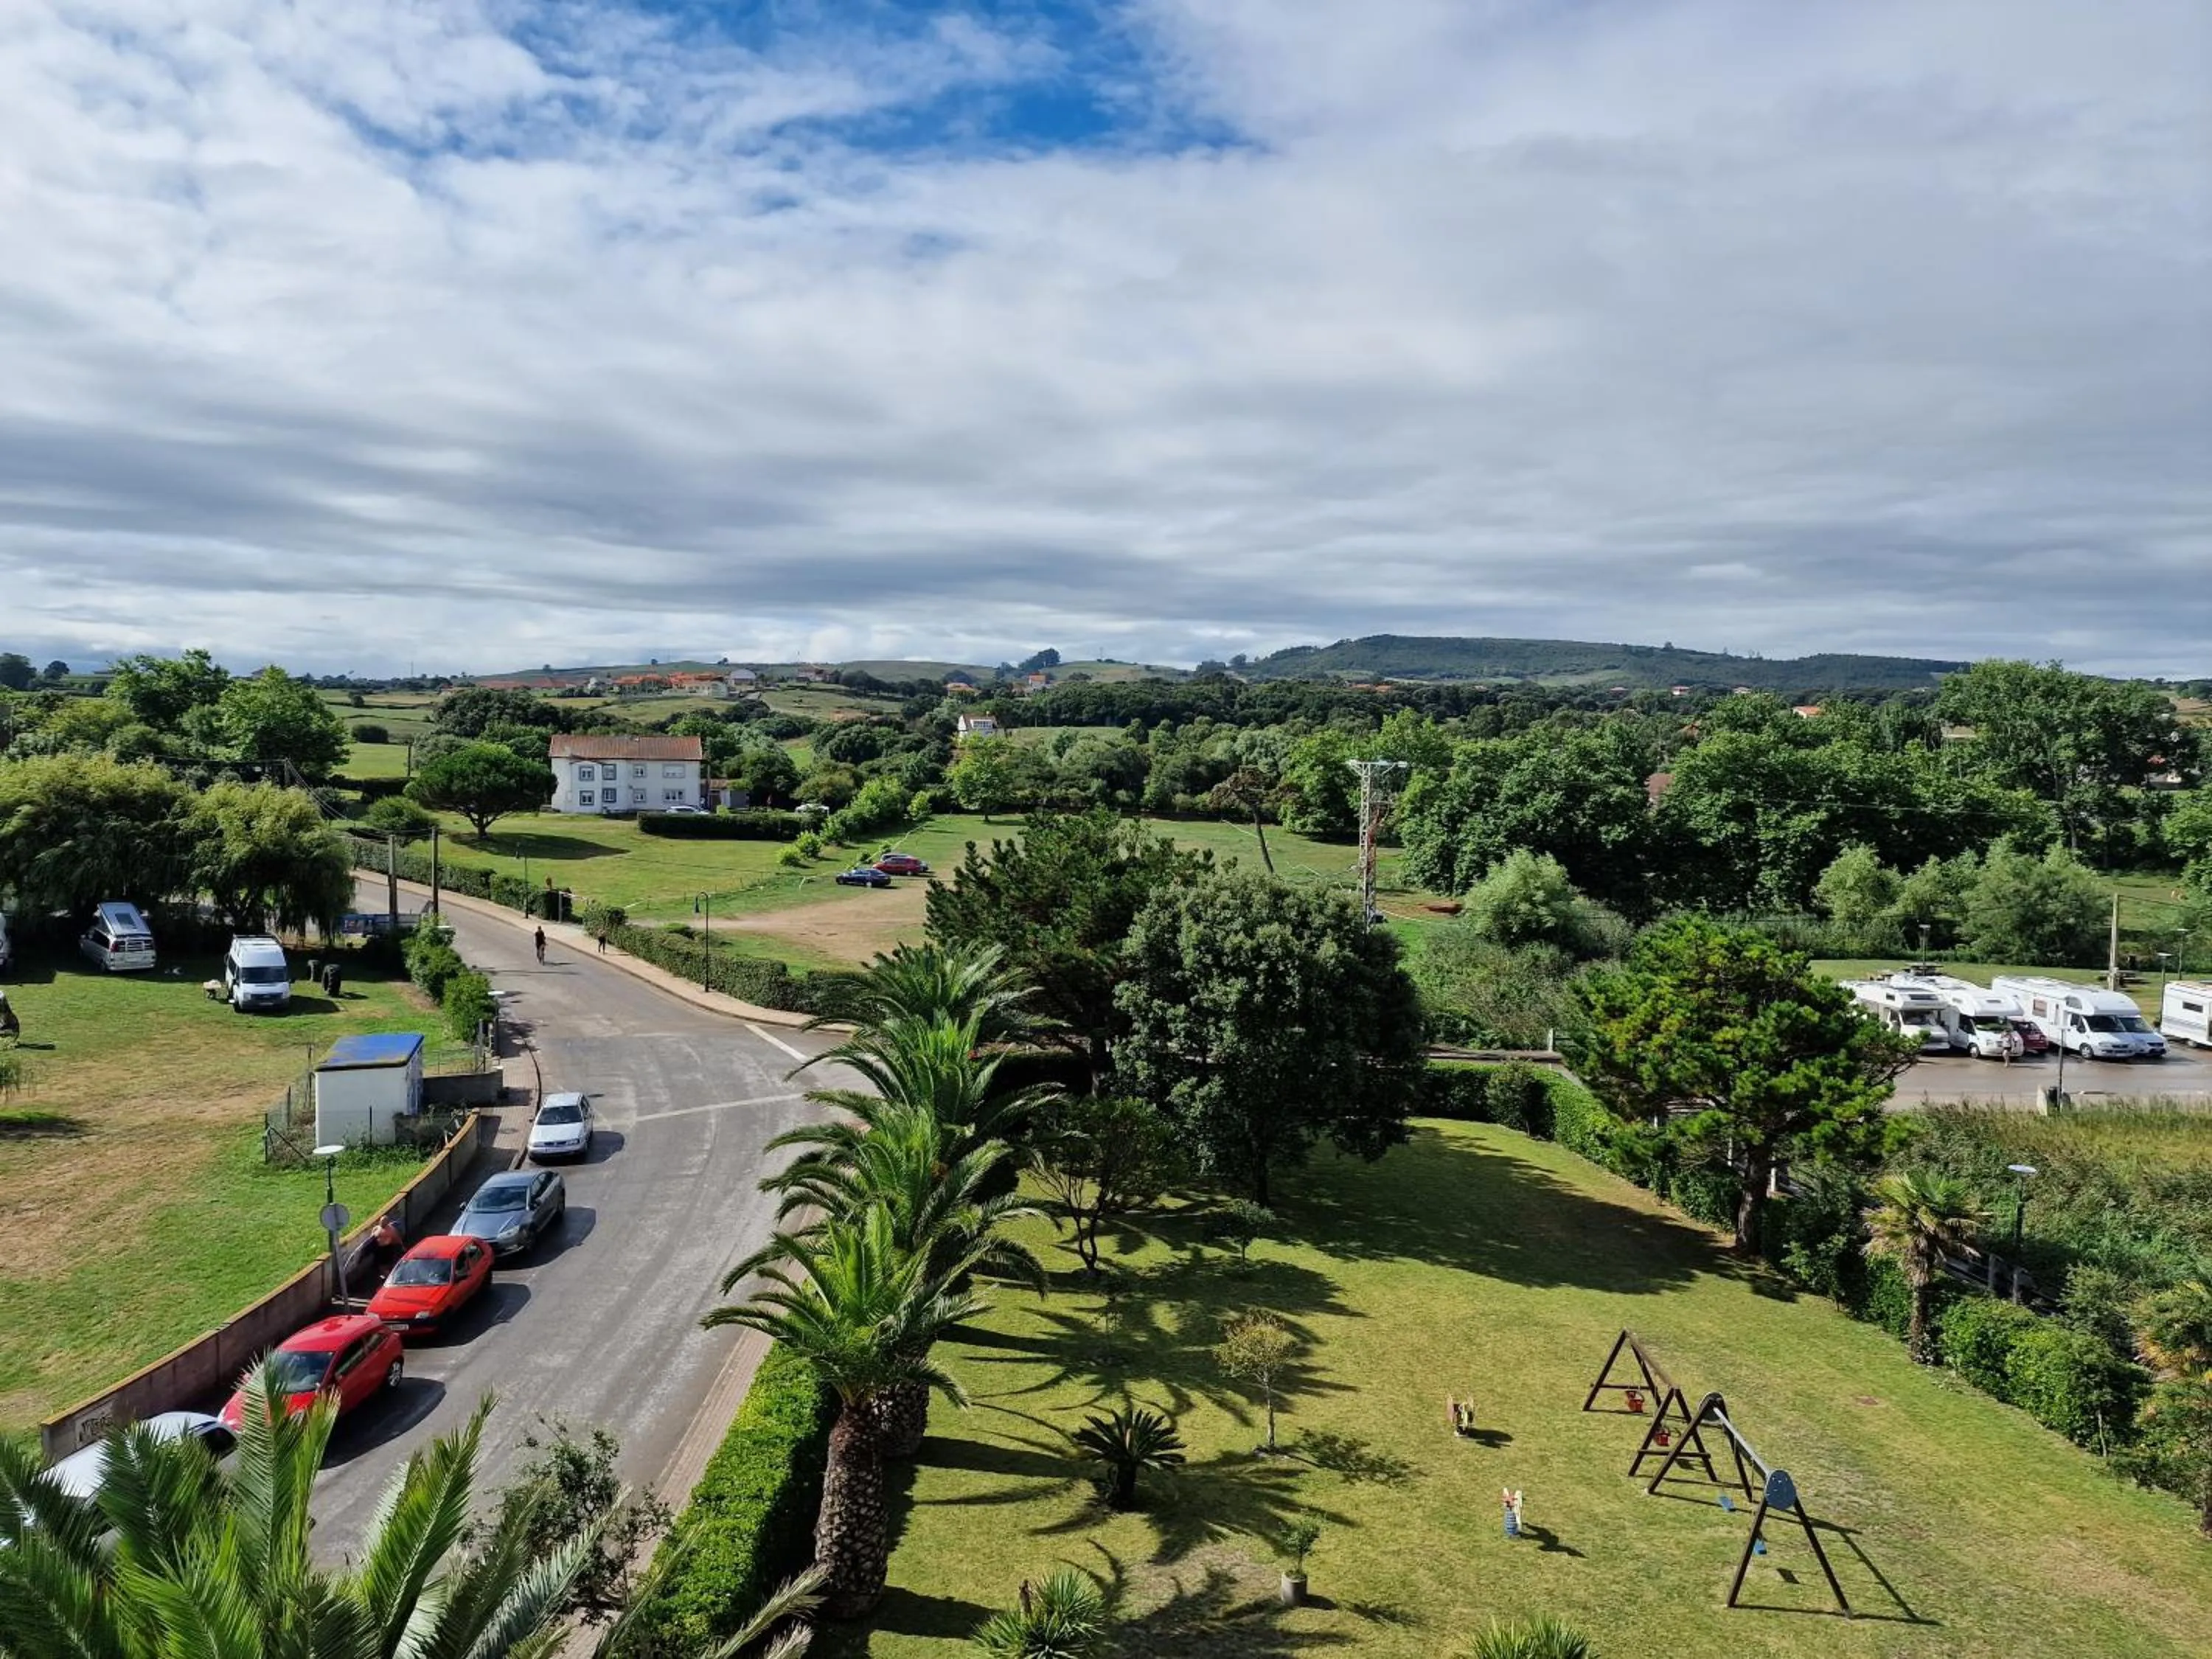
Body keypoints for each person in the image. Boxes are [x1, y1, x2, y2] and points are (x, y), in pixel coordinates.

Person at [370, 1211, 405, 1279]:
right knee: (380, 1266)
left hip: (387, 1249)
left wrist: (402, 1246)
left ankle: (391, 1278)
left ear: (387, 1222)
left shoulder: (391, 1230)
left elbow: (397, 1238)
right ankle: (387, 1276)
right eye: (381, 1221)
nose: (381, 1223)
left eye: (383, 1222)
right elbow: (372, 1238)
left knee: (386, 1265)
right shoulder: (377, 1228)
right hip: (378, 1250)